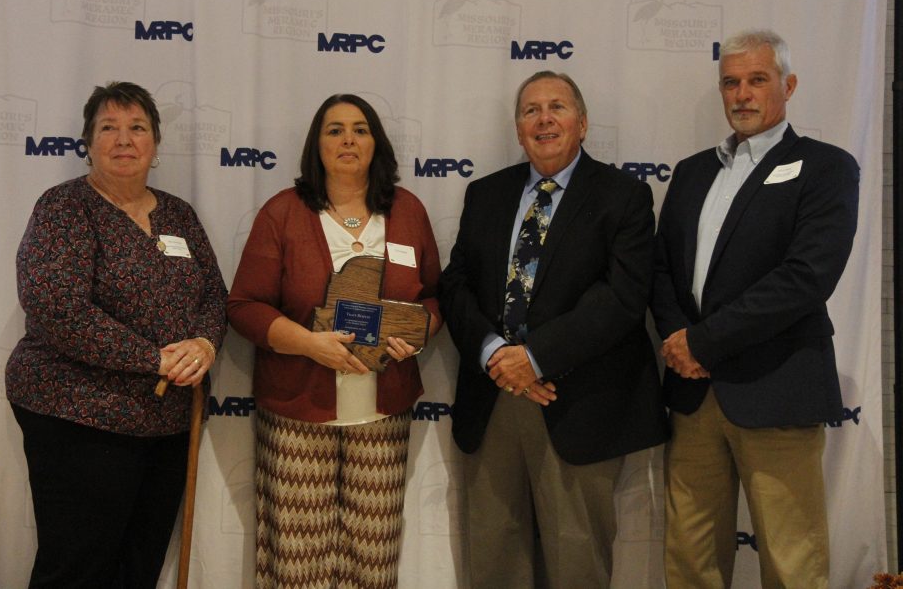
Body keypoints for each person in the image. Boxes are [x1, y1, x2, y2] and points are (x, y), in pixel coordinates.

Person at [439, 71, 668, 588]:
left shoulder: (625, 195)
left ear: (582, 123)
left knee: (577, 561)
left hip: (579, 400)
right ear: (518, 130)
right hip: (493, 397)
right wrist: (498, 354)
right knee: (494, 553)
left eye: (557, 108)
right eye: (530, 110)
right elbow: (456, 284)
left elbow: (621, 299)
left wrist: (533, 357)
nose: (544, 119)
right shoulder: (486, 194)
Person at [651, 29, 860, 588]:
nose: (742, 94)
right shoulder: (693, 171)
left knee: (791, 563)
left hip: (777, 386)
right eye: (731, 82)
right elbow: (663, 269)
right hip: (693, 396)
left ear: (788, 86)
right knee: (690, 559)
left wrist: (703, 342)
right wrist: (678, 341)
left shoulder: (826, 167)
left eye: (757, 80)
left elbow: (805, 278)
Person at [5, 81, 227, 589]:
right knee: (78, 566)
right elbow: (56, 307)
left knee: (139, 565)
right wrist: (156, 359)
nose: (123, 139)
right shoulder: (65, 208)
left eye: (137, 128)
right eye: (109, 128)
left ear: (155, 143)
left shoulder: (178, 215)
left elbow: (214, 293)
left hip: (166, 421)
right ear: (88, 141)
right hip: (78, 410)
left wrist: (204, 344)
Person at [227, 93, 441, 588]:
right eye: (335, 129)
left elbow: (433, 298)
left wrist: (416, 335)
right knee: (297, 562)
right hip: (299, 409)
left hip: (383, 412)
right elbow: (244, 306)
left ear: (376, 143)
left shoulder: (407, 211)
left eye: (360, 129)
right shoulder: (283, 212)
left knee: (373, 557)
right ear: (316, 145)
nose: (348, 139)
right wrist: (307, 343)